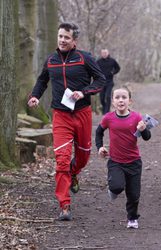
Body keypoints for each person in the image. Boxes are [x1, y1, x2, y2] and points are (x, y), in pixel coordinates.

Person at [27, 22, 106, 220]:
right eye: (60, 36)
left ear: (74, 41)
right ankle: (64, 205)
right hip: (60, 115)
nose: (62, 40)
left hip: (82, 113)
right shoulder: (51, 60)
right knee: (61, 159)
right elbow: (42, 80)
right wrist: (35, 95)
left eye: (66, 38)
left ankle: (74, 172)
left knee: (83, 158)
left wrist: (84, 92)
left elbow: (100, 80)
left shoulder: (84, 58)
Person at [95, 86, 151, 229]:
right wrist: (100, 147)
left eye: (124, 97)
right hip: (115, 161)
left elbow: (147, 138)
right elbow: (99, 132)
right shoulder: (108, 118)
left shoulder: (137, 117)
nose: (121, 100)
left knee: (134, 194)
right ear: (113, 101)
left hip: (134, 162)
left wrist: (143, 130)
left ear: (130, 101)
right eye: (117, 98)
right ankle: (113, 189)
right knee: (117, 186)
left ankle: (132, 218)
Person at [97, 49, 120, 114]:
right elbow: (94, 69)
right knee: (101, 98)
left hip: (109, 82)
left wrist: (113, 72)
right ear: (101, 54)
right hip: (101, 82)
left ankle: (106, 112)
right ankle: (104, 108)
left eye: (105, 53)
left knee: (108, 96)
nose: (104, 54)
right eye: (103, 53)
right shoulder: (98, 61)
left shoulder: (112, 61)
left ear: (108, 53)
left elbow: (118, 68)